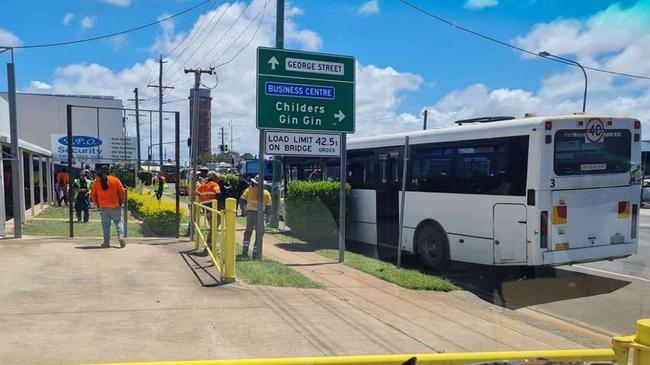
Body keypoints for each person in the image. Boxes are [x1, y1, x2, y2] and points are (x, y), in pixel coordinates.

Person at [90, 166, 126, 248]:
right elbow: (122, 192)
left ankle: (106, 242)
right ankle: (120, 236)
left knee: (105, 225)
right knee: (119, 222)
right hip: (115, 205)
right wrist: (121, 202)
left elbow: (93, 194)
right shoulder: (115, 180)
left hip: (103, 206)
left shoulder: (96, 181)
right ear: (109, 171)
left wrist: (97, 204)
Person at [240, 175, 271, 257]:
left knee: (248, 232)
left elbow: (242, 199)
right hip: (260, 215)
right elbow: (268, 206)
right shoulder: (266, 193)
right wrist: (267, 217)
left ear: (254, 182)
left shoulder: (248, 190)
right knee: (259, 234)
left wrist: (243, 210)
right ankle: (255, 252)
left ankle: (245, 250)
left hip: (250, 214)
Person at [192, 171, 221, 252]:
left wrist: (203, 198)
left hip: (205, 209)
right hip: (213, 208)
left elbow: (195, 193)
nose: (218, 179)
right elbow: (218, 193)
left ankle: (210, 246)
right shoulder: (214, 185)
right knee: (214, 228)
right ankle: (209, 247)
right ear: (214, 177)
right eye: (217, 177)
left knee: (213, 227)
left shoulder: (203, 186)